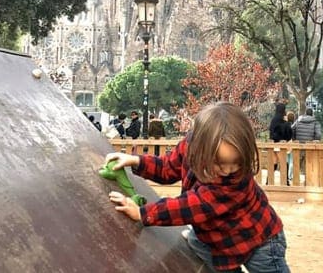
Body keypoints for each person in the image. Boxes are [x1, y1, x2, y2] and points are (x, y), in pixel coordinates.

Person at [105, 102, 290, 273]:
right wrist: (136, 161)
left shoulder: (232, 183)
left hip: (260, 241)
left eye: (236, 163)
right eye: (220, 163)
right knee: (196, 241)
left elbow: (189, 207)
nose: (227, 171)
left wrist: (143, 213)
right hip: (221, 239)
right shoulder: (191, 146)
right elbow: (168, 168)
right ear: (199, 147)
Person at [291, 108, 321, 176]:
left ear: (305, 113)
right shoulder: (315, 122)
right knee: (309, 162)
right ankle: (308, 178)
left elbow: (292, 129)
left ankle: (295, 178)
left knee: (297, 162)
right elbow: (318, 134)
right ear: (312, 114)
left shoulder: (298, 121)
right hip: (310, 145)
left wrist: (294, 139)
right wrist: (315, 140)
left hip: (299, 144)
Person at [268, 103, 292, 185]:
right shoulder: (283, 121)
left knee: (274, 162)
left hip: (274, 143)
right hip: (281, 143)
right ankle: (286, 181)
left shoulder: (273, 120)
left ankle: (269, 180)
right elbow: (288, 132)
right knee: (284, 162)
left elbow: (271, 132)